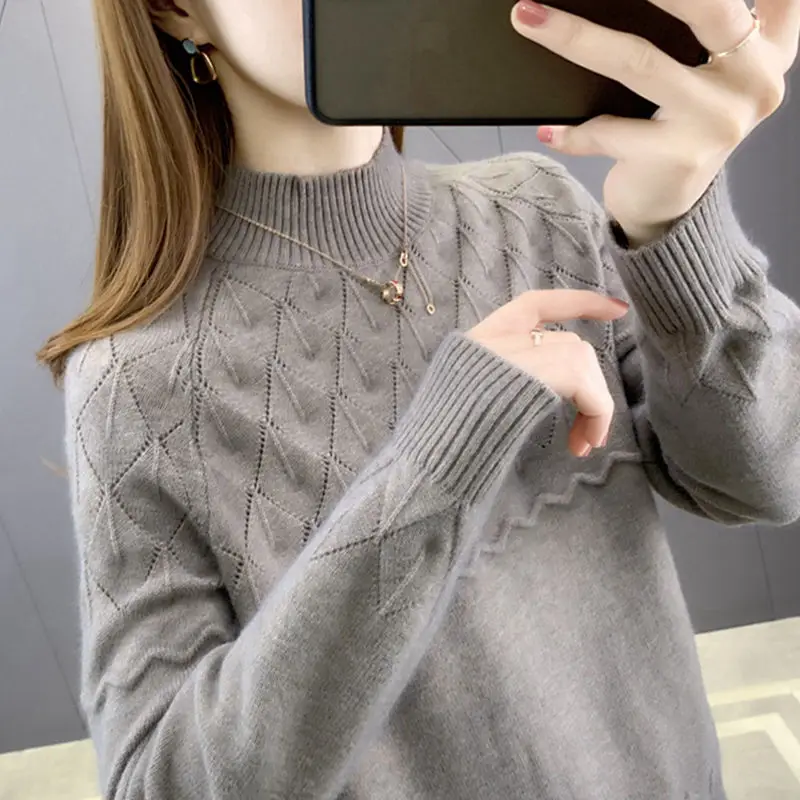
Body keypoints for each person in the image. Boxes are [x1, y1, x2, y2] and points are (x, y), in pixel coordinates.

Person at [38, 0, 800, 797]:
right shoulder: (134, 384)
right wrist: (438, 457)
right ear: (174, 10)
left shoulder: (536, 207)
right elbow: (158, 783)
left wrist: (679, 222)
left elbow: (764, 480)